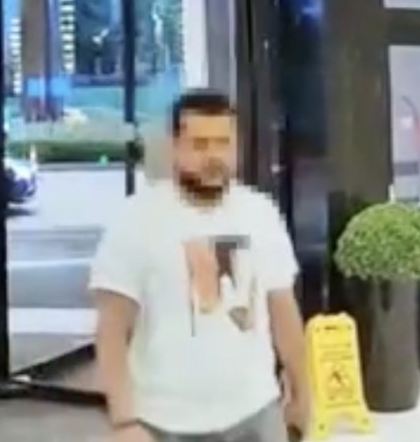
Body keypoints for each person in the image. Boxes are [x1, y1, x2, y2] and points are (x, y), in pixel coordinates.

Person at [90, 90, 308, 442]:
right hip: (164, 422)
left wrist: (303, 391)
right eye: (200, 144)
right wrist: (123, 421)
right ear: (175, 146)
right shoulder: (136, 220)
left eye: (223, 143)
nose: (213, 157)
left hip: (256, 412)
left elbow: (283, 308)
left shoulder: (261, 212)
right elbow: (111, 330)